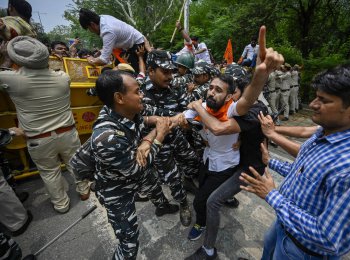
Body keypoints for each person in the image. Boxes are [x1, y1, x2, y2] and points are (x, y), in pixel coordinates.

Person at [240, 60, 350, 259]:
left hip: (301, 250)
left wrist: (272, 195)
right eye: (316, 97)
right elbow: (306, 176)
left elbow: (328, 239)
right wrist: (271, 161)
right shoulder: (327, 131)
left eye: (324, 100)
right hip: (285, 225)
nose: (313, 105)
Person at [184, 26, 284, 259]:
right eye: (210, 88)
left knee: (210, 201)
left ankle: (209, 250)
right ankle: (227, 197)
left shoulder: (247, 109)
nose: (212, 93)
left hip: (248, 167)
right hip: (231, 160)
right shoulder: (234, 106)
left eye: (224, 89)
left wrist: (198, 106)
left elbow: (221, 126)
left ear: (233, 94)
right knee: (212, 189)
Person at [91, 70, 179, 260]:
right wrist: (159, 136)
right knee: (129, 243)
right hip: (117, 188)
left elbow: (145, 120)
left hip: (139, 170)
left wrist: (148, 135)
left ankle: (162, 206)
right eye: (138, 91)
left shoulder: (124, 109)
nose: (142, 96)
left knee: (154, 186)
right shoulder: (106, 138)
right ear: (119, 97)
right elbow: (138, 169)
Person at [0, 36, 90, 213]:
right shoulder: (62, 78)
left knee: (50, 173)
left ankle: (61, 204)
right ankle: (84, 191)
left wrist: (6, 58)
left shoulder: (12, 80)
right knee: (75, 164)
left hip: (38, 139)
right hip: (68, 133)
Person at [140, 50, 200, 226]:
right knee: (172, 179)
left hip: (178, 138)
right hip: (158, 146)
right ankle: (183, 204)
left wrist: (185, 120)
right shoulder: (138, 91)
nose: (170, 76)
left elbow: (186, 110)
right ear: (150, 71)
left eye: (172, 71)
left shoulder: (176, 88)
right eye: (165, 72)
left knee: (192, 162)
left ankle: (188, 181)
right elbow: (137, 120)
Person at [78, 8, 149, 72]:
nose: (91, 31)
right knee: (120, 66)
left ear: (92, 24)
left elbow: (104, 60)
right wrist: (101, 51)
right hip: (132, 43)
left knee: (134, 73)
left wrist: (91, 60)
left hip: (138, 45)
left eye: (88, 28)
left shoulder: (107, 31)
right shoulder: (103, 17)